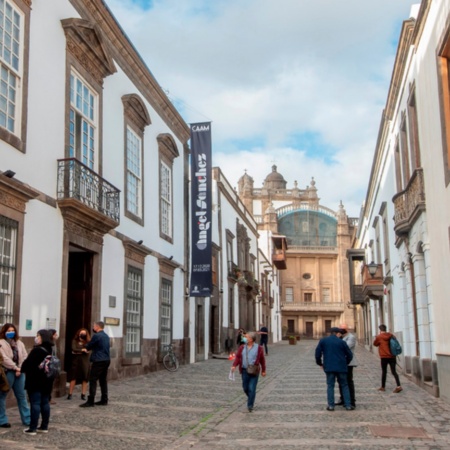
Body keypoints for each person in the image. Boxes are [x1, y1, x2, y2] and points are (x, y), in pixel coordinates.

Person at [21, 329, 55, 435]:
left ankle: (33, 428)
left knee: (35, 403)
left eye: (38, 336)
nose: (36, 337)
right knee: (45, 403)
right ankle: (44, 426)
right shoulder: (50, 349)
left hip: (35, 380)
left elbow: (26, 365)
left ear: (42, 337)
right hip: (47, 380)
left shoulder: (37, 351)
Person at [315, 327, 354, 411]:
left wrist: (320, 363)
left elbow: (317, 353)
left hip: (329, 366)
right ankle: (348, 405)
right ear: (337, 333)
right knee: (344, 385)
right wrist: (345, 363)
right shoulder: (342, 342)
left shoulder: (323, 341)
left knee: (330, 386)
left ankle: (331, 405)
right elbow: (350, 355)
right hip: (341, 367)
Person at [0, 323, 31, 428]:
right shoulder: (1, 343)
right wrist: (15, 367)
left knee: (22, 395)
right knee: (2, 395)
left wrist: (20, 368)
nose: (11, 332)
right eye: (8, 331)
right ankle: (2, 420)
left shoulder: (19, 343)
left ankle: (27, 419)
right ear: (4, 332)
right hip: (8, 372)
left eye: (12, 330)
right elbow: (4, 358)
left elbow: (25, 356)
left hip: (20, 372)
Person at [231, 331, 266, 412]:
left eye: (246, 337)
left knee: (252, 388)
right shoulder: (242, 347)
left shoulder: (259, 348)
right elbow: (238, 357)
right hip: (244, 370)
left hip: (254, 370)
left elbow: (262, 360)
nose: (244, 338)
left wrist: (263, 370)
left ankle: (250, 405)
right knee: (245, 388)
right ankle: (251, 396)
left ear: (251, 339)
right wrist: (234, 365)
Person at [80, 321, 110, 407]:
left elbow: (90, 345)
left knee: (93, 379)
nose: (93, 327)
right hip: (106, 359)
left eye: (94, 326)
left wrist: (85, 348)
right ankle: (104, 399)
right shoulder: (106, 336)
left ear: (97, 327)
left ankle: (91, 400)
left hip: (98, 360)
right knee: (103, 380)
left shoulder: (97, 336)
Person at [373, 324, 403, 393]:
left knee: (384, 371)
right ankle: (399, 386)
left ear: (380, 330)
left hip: (384, 357)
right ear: (385, 329)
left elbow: (375, 344)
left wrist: (376, 338)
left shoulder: (379, 337)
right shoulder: (391, 335)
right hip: (392, 356)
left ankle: (383, 387)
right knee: (394, 371)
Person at [336, 323, 357, 408]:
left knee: (348, 381)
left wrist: (337, 340)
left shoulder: (351, 337)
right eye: (340, 328)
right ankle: (343, 398)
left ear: (346, 329)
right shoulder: (341, 338)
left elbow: (345, 347)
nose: (341, 330)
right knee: (340, 381)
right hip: (340, 362)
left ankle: (352, 401)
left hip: (348, 363)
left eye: (342, 328)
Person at [67, 328, 91, 400]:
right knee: (73, 377)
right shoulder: (75, 341)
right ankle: (70, 394)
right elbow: (74, 349)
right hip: (76, 361)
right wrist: (82, 350)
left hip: (85, 361)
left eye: (84, 333)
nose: (82, 334)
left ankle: (83, 394)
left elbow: (89, 350)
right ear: (79, 334)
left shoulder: (88, 342)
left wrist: (79, 351)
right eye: (81, 333)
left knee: (85, 378)